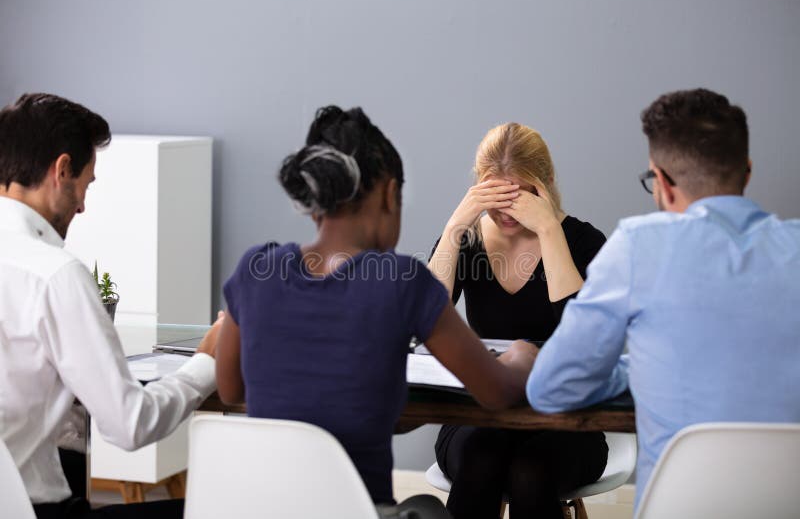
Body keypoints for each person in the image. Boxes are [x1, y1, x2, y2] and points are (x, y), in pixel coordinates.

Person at [214, 106, 538, 518]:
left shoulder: (255, 269)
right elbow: (495, 393)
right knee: (428, 509)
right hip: (359, 511)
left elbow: (231, 391)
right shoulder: (400, 279)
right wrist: (519, 358)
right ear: (389, 193)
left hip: (265, 509)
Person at [526, 88, 800, 511]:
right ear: (746, 172)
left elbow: (551, 389)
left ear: (663, 185)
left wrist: (636, 371)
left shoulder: (638, 246)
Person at [0, 93, 222, 519]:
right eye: (86, 184)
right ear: (61, 170)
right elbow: (129, 425)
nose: (82, 205)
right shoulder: (54, 275)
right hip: (37, 509)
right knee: (221, 509)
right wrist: (206, 361)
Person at [428, 123, 609, 518]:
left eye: (521, 196)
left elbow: (588, 337)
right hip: (481, 410)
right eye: (496, 195)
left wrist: (548, 228)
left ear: (545, 185)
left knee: (530, 471)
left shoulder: (584, 242)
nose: (507, 210)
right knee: (483, 457)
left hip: (566, 417)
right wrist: (455, 228)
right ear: (478, 187)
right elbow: (426, 318)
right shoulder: (467, 240)